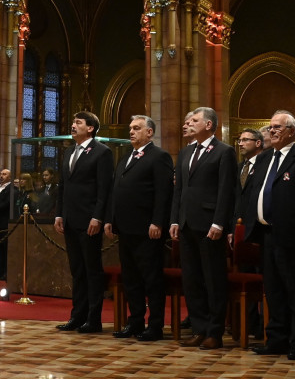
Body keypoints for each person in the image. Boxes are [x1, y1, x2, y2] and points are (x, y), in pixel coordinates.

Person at [241, 111, 295, 360]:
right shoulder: (264, 158)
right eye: (270, 127)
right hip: (267, 234)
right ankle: (276, 339)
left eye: (277, 127)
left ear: (291, 131)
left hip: (293, 235)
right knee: (273, 289)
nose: (272, 131)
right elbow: (255, 192)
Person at [170, 107, 238, 350]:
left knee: (213, 279)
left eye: (195, 120)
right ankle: (199, 328)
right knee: (192, 280)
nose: (189, 123)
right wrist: (175, 220)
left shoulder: (224, 151)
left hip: (210, 224)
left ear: (209, 125)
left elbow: (226, 190)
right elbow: (179, 190)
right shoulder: (186, 152)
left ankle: (214, 332)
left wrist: (220, 222)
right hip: (187, 223)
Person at [107, 115, 174, 341]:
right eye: (130, 128)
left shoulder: (160, 157)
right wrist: (111, 219)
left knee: (151, 279)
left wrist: (157, 221)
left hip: (148, 229)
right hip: (125, 229)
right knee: (131, 278)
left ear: (150, 132)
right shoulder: (125, 158)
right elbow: (116, 191)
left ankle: (155, 326)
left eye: (137, 128)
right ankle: (135, 321)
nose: (132, 132)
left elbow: (163, 193)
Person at [55, 111, 114, 333]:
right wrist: (59, 214)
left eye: (78, 122)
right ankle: (76, 316)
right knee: (77, 270)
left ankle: (93, 319)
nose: (73, 125)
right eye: (73, 121)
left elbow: (104, 189)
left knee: (91, 270)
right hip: (70, 219)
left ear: (90, 128)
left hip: (90, 219)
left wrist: (98, 217)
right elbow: (63, 185)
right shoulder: (69, 151)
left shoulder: (102, 152)